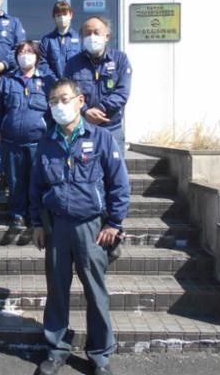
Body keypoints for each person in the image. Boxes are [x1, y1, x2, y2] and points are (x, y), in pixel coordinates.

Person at [29, 79, 130, 375]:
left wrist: (114, 222)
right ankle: (56, 349)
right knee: (57, 291)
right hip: (57, 227)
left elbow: (119, 183)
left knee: (96, 292)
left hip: (92, 228)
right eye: (53, 101)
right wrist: (36, 223)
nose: (59, 106)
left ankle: (100, 355)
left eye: (64, 99)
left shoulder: (101, 138)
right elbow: (36, 187)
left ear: (80, 101)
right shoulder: (46, 142)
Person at [0, 40, 56, 243]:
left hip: (39, 143)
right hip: (12, 142)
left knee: (37, 181)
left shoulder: (47, 81)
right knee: (15, 181)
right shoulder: (7, 81)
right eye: (21, 52)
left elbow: (54, 112)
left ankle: (36, 217)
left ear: (37, 56)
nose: (25, 55)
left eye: (29, 52)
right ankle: (17, 216)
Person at [64, 16, 132, 155]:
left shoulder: (120, 60)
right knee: (83, 168)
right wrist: (85, 112)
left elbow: (122, 93)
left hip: (112, 129)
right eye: (87, 33)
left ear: (107, 36)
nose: (92, 37)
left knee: (114, 168)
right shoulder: (73, 63)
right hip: (82, 129)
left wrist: (101, 108)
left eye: (96, 32)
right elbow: (67, 94)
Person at [40, 1, 83, 79]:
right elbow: (42, 63)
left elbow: (84, 62)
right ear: (54, 17)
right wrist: (54, 80)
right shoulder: (47, 40)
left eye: (65, 14)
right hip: (53, 84)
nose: (62, 18)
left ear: (71, 15)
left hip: (75, 84)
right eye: (58, 15)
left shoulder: (81, 39)